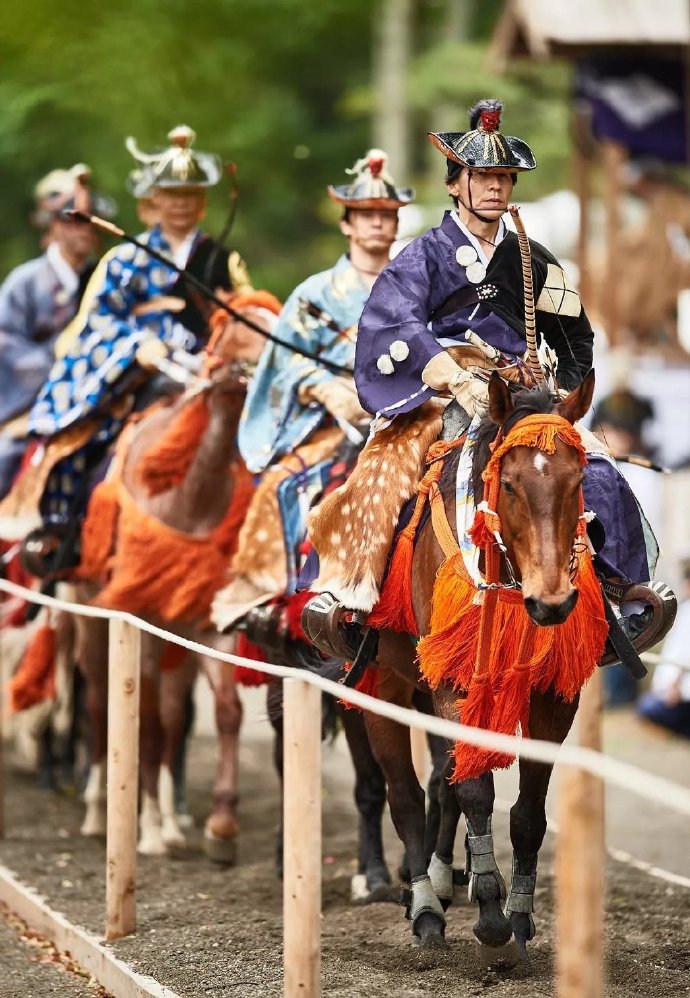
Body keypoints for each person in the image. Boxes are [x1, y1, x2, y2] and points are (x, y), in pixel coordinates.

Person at [303, 99, 675, 660]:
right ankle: (350, 595)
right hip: (441, 392)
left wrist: (560, 394)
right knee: (381, 468)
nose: (496, 187)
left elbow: (576, 336)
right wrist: (454, 376)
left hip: (526, 397)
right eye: (483, 176)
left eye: (504, 177)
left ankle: (623, 596)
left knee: (593, 464)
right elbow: (396, 321)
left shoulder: (535, 259)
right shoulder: (423, 255)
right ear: (457, 184)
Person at [3, 126, 252, 566]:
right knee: (83, 440)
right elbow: (99, 320)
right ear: (153, 198)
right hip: (137, 376)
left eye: (190, 193)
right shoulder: (123, 259)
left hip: (206, 372)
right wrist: (137, 345)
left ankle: (256, 554)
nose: (180, 203)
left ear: (203, 200)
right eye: (171, 193)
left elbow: (243, 317)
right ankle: (64, 531)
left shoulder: (222, 261)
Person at [210, 150, 414, 631]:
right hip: (334, 423)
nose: (377, 226)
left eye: (386, 216)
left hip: (407, 418)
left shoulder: (415, 285)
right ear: (347, 223)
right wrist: (324, 388)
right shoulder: (313, 293)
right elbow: (282, 363)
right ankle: (271, 597)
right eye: (366, 215)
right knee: (281, 484)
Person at [0, 166, 111, 496]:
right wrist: (59, 363)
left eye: (90, 221)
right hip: (33, 404)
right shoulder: (25, 282)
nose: (84, 231)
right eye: (74, 220)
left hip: (101, 399)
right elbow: (5, 342)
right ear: (53, 226)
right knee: (4, 458)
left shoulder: (106, 278)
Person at [638, 561, 690, 737]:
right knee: (647, 704)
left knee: (646, 707)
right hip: (674, 691)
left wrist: (674, 687)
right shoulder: (684, 610)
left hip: (679, 695)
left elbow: (685, 654)